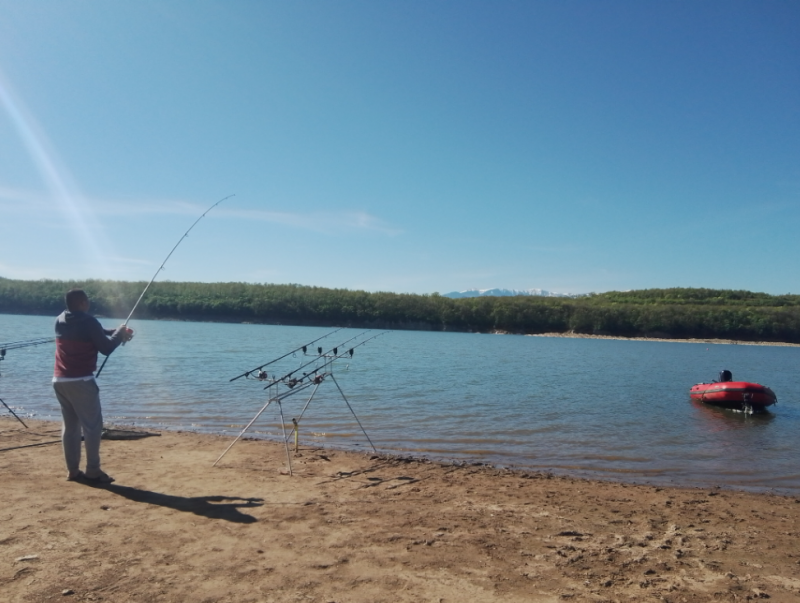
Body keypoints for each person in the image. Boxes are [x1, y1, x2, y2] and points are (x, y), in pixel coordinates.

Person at [52, 289, 133, 483]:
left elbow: (95, 332)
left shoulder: (60, 319)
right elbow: (105, 348)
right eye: (86, 301)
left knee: (70, 427)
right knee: (93, 428)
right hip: (81, 382)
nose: (88, 304)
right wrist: (119, 334)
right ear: (81, 303)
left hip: (59, 381)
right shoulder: (88, 321)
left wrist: (116, 332)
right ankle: (93, 470)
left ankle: (73, 471)